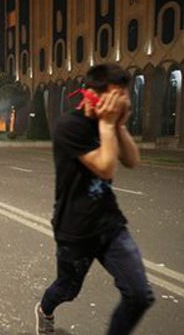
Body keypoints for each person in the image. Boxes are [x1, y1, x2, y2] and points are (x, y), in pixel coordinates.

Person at [34, 64, 154, 335]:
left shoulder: (108, 122)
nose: (120, 102)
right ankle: (45, 309)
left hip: (109, 223)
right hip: (74, 228)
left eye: (123, 97)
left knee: (139, 295)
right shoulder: (69, 126)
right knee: (68, 289)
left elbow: (132, 161)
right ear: (91, 94)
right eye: (115, 96)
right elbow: (105, 166)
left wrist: (119, 125)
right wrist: (109, 124)